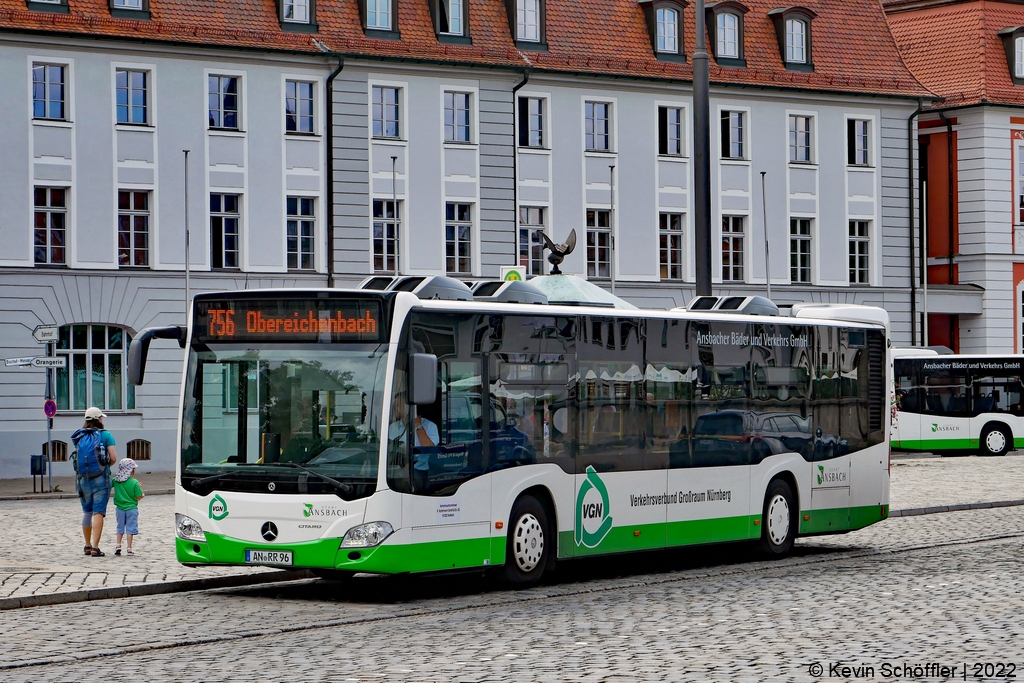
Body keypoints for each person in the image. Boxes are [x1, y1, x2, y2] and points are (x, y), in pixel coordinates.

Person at [72, 407, 117, 557]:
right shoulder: (106, 435)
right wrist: (103, 467)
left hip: (83, 480)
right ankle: (95, 547)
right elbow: (113, 458)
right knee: (98, 512)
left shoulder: (79, 435)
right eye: (101, 417)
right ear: (98, 419)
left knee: (87, 512)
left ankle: (87, 545)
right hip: (101, 480)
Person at [387, 393, 438, 491]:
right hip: (396, 470)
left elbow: (428, 448)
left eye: (398, 405)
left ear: (408, 406)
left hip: (418, 472)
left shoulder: (430, 426)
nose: (395, 408)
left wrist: (418, 426)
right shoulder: (393, 427)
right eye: (394, 405)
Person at [112, 458, 144, 556]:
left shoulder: (116, 480)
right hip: (131, 509)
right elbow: (138, 496)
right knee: (130, 528)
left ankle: (118, 545)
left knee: (120, 527)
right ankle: (129, 548)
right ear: (132, 470)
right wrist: (142, 494)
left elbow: (110, 483)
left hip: (120, 508)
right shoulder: (134, 482)